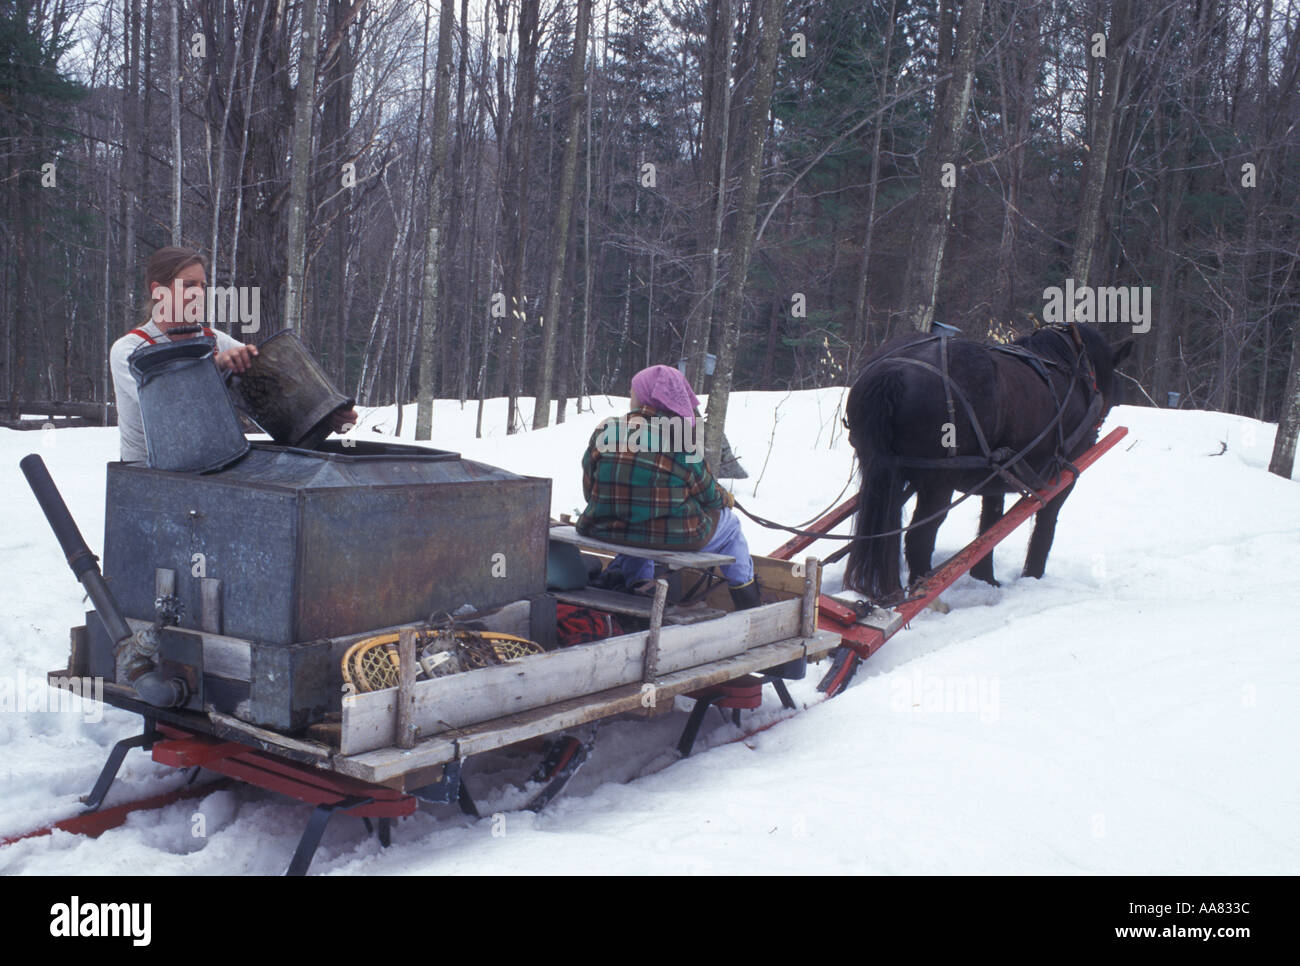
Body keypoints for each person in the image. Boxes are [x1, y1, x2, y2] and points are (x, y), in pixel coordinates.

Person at [110, 246, 356, 462]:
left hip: (211, 471)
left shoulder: (215, 341)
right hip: (145, 476)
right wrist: (212, 367)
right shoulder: (130, 350)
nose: (199, 293)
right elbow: (164, 408)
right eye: (188, 285)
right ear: (158, 291)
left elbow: (273, 386)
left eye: (202, 286)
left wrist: (327, 415)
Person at [576, 364, 761, 609]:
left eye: (633, 393)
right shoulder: (682, 439)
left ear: (644, 398)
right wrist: (727, 499)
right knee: (732, 526)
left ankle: (638, 584)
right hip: (672, 538)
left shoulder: (607, 430)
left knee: (637, 518)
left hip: (605, 528)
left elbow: (590, 492)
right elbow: (709, 495)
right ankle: (748, 600)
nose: (631, 398)